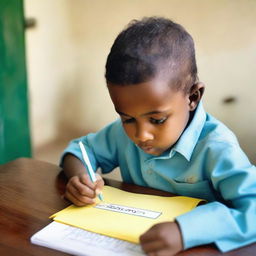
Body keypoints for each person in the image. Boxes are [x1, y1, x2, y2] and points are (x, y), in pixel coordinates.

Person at [60, 17, 256, 255]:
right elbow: (79, 150)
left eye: (157, 120)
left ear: (193, 97)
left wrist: (186, 232)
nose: (141, 135)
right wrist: (80, 178)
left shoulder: (217, 147)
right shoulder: (120, 134)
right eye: (127, 118)